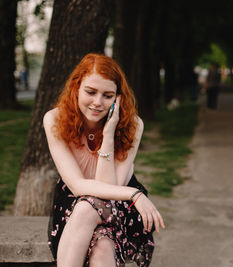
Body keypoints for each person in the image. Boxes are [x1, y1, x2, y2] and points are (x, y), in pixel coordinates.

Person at [44, 53, 165, 267]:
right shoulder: (54, 119)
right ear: (76, 87)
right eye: (91, 92)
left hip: (118, 208)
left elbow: (108, 191)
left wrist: (108, 135)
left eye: (108, 96)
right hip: (73, 205)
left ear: (118, 98)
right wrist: (134, 194)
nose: (98, 103)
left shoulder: (133, 125)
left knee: (95, 225)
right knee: (96, 234)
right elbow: (77, 186)